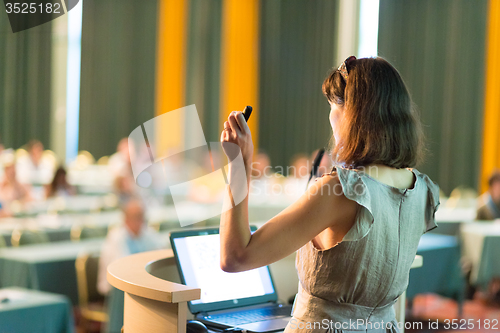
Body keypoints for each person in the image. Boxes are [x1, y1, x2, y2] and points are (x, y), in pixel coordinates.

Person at [219, 56, 439, 332]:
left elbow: (235, 257)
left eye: (333, 106)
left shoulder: (341, 190)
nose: (330, 117)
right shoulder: (422, 190)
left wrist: (238, 166)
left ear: (353, 114)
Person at [97, 199, 164, 295]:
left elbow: (160, 253)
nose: (140, 221)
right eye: (136, 217)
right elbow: (122, 270)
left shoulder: (147, 233)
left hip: (140, 286)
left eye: (142, 216)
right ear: (126, 218)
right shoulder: (116, 238)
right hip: (116, 291)